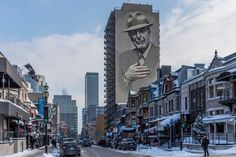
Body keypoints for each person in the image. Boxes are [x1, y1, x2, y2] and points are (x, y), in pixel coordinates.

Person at [118, 11, 160, 94]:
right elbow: (120, 91)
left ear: (149, 32)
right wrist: (126, 78)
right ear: (130, 36)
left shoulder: (158, 54)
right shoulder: (123, 57)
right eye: (133, 33)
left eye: (142, 31)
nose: (138, 36)